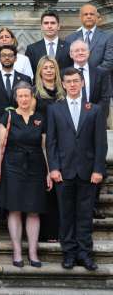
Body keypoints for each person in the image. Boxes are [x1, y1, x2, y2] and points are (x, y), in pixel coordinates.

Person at [47, 67, 108, 271]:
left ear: (82, 83)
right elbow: (51, 143)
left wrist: (98, 169)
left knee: (84, 215)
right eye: (68, 81)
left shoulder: (95, 109)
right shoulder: (55, 109)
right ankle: (69, 254)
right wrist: (53, 168)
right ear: (63, 84)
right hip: (63, 172)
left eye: (76, 81)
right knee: (65, 215)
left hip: (88, 172)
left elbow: (101, 144)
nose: (72, 84)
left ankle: (85, 254)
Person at [0, 81, 51, 268]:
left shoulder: (40, 118)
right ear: (16, 98)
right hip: (12, 167)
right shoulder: (8, 116)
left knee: (34, 211)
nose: (24, 99)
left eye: (27, 95)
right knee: (15, 209)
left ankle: (33, 253)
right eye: (20, 96)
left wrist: (49, 173)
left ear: (32, 97)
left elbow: (45, 148)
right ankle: (17, 252)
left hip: (36, 167)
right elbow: (0, 147)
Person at [68, 38, 110, 219]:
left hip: (94, 125)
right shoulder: (65, 74)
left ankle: (93, 205)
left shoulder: (100, 73)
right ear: (71, 54)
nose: (79, 53)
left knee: (96, 162)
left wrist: (97, 117)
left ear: (89, 53)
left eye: (83, 50)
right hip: (71, 126)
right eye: (76, 51)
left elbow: (105, 98)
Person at [34, 57, 65, 242]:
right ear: (39, 71)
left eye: (52, 67)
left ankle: (62, 230)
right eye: (45, 68)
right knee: (48, 190)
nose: (48, 70)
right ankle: (48, 232)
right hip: (43, 143)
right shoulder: (35, 94)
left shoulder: (63, 93)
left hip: (63, 143)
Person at [0, 44, 32, 119]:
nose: (7, 58)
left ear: (15, 58)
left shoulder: (25, 79)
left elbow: (29, 103)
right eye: (3, 55)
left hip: (21, 124)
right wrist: (2, 122)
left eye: (10, 55)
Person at [65, 3, 113, 72]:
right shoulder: (70, 38)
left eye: (91, 14)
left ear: (96, 17)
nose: (89, 16)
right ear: (80, 17)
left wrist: (92, 74)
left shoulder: (107, 37)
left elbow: (109, 61)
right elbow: (68, 62)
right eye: (86, 14)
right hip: (76, 79)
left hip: (99, 79)